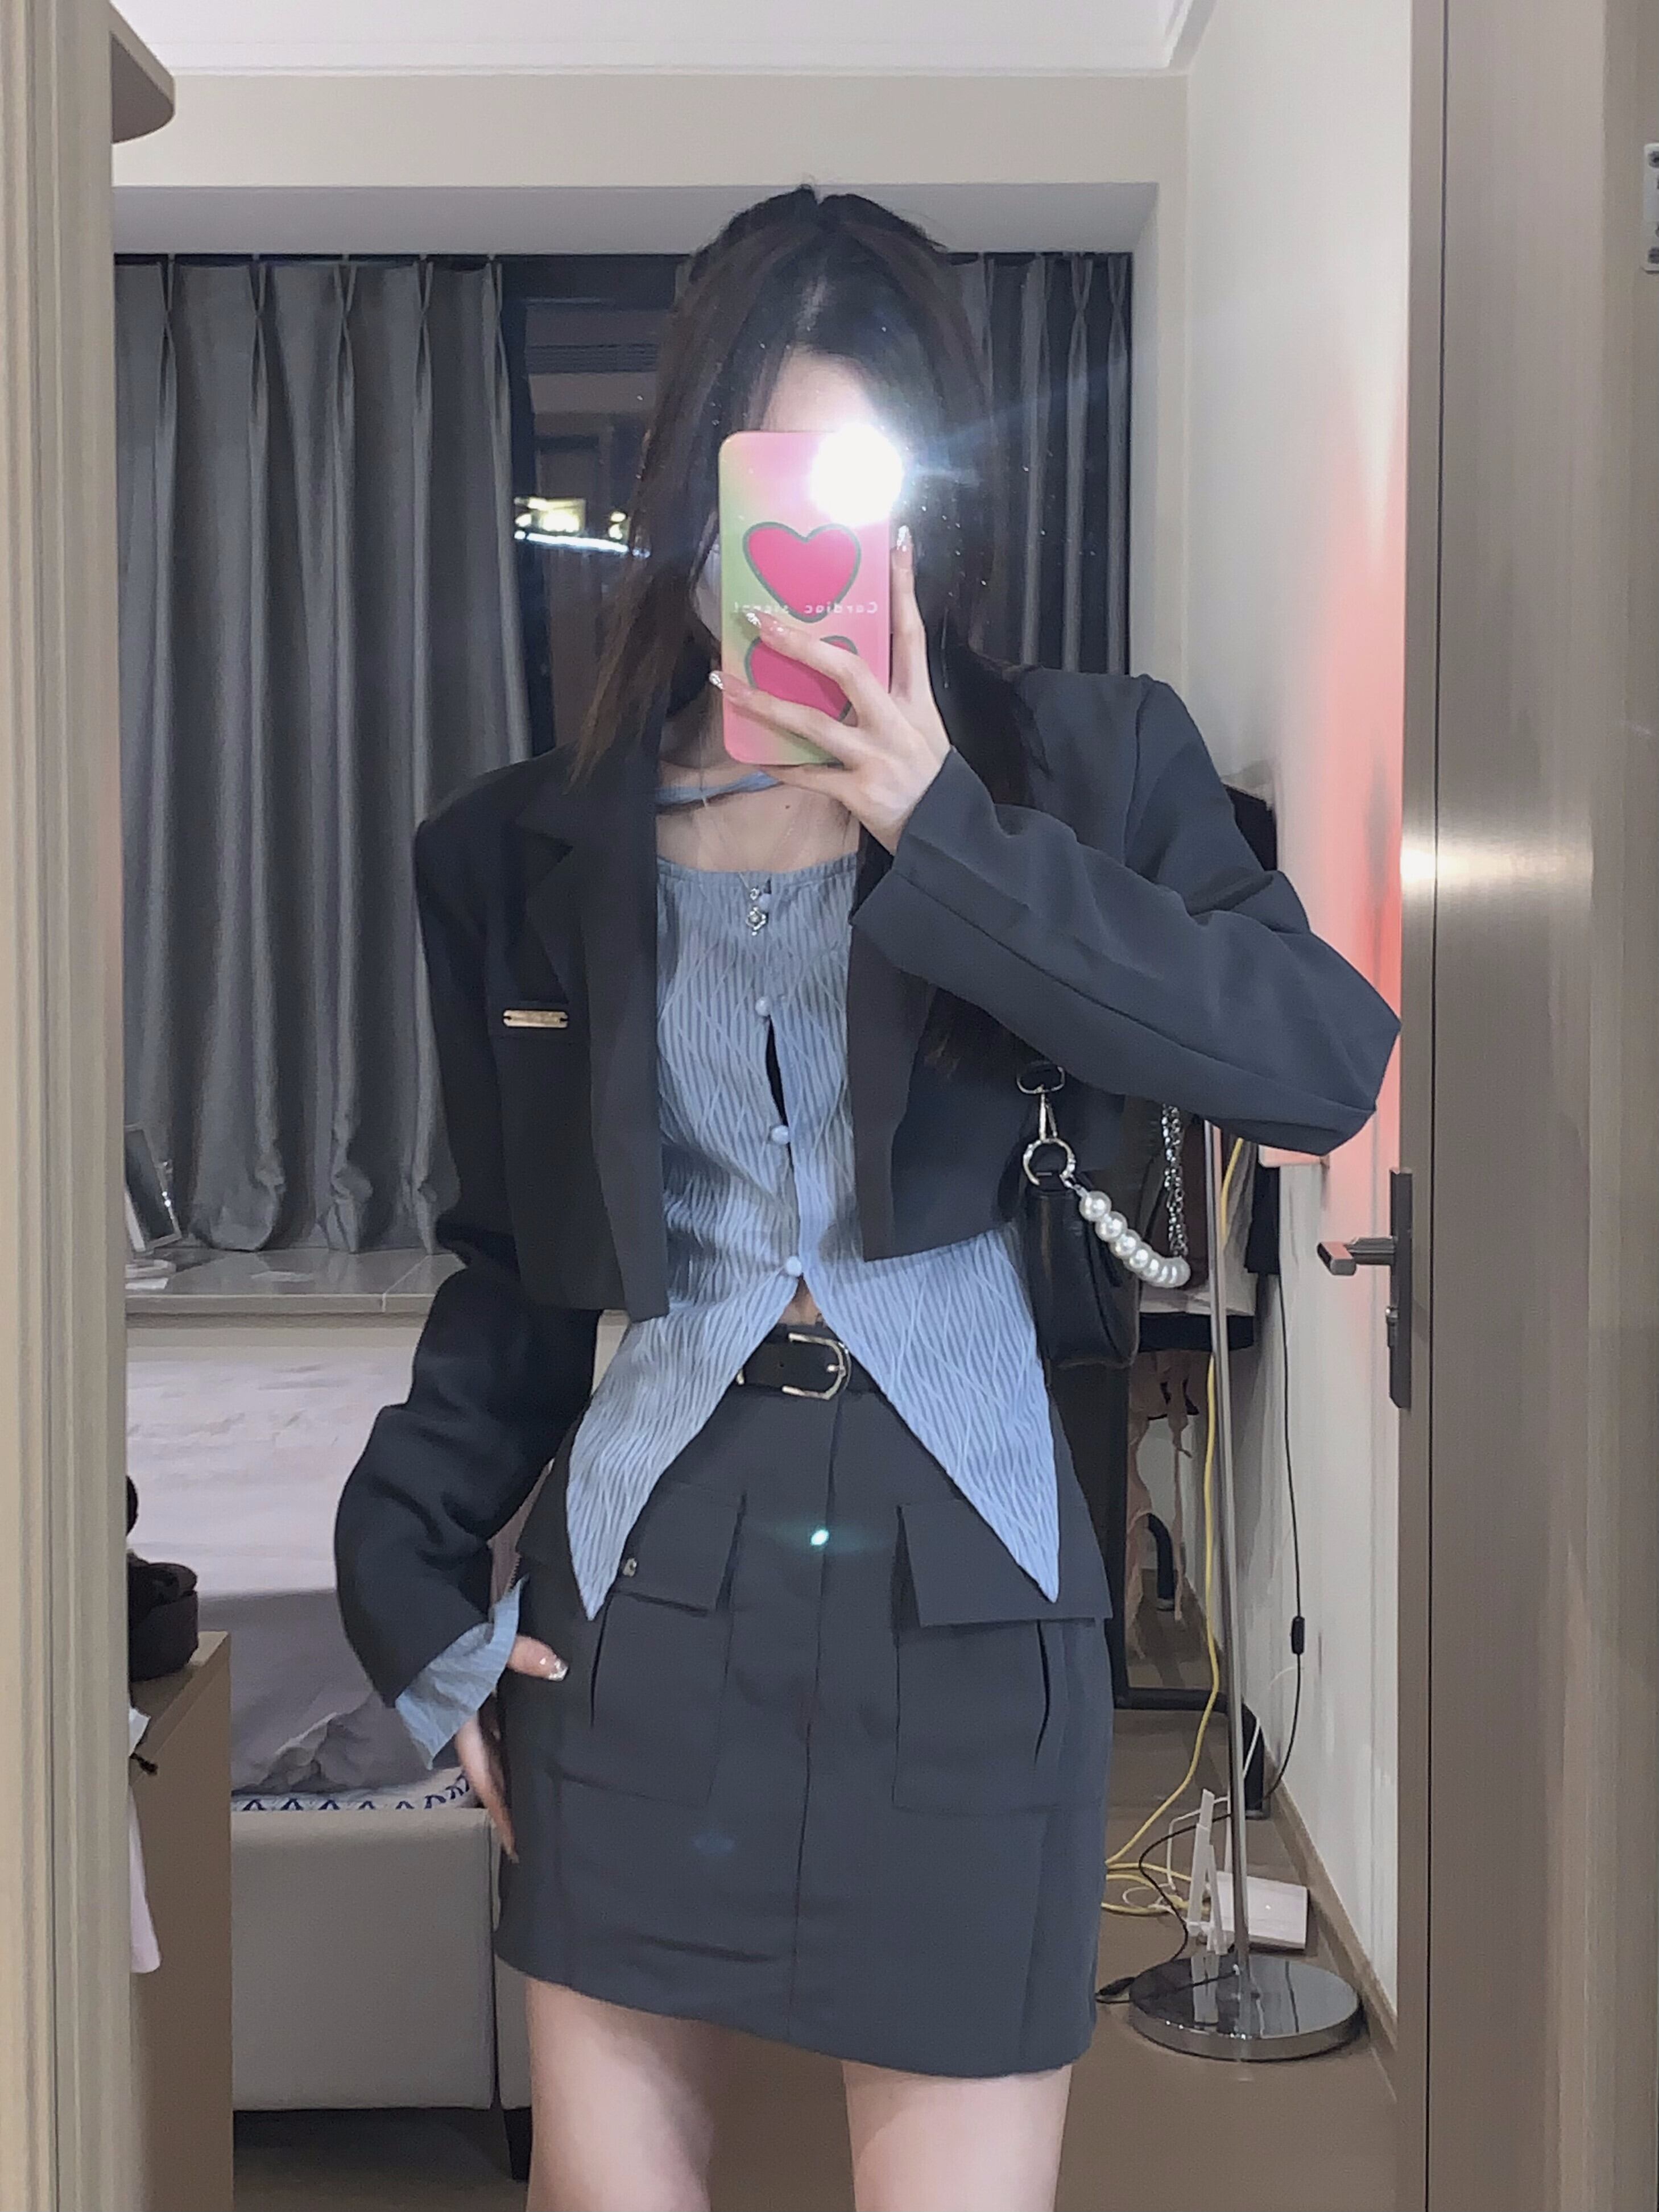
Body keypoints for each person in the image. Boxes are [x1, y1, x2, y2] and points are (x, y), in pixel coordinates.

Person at [335, 187, 1398, 2212]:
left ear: (931, 505)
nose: (815, 545)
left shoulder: (1083, 771)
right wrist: (405, 1582)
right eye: (772, 481)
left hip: (975, 1607)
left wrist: (938, 821)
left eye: (864, 487)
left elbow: (1317, 1058)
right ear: (693, 494)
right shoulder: (526, 850)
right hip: (643, 1609)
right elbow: (512, 1273)